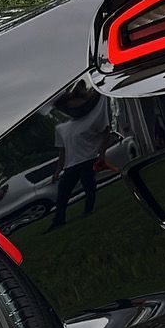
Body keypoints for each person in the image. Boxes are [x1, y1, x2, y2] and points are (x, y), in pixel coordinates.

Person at [49, 80, 113, 229]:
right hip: (71, 165)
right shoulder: (62, 128)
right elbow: (63, 150)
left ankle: (88, 211)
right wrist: (58, 170)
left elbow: (106, 132)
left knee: (89, 187)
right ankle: (58, 221)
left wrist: (101, 154)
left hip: (88, 160)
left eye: (77, 101)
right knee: (62, 193)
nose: (74, 105)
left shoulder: (93, 117)